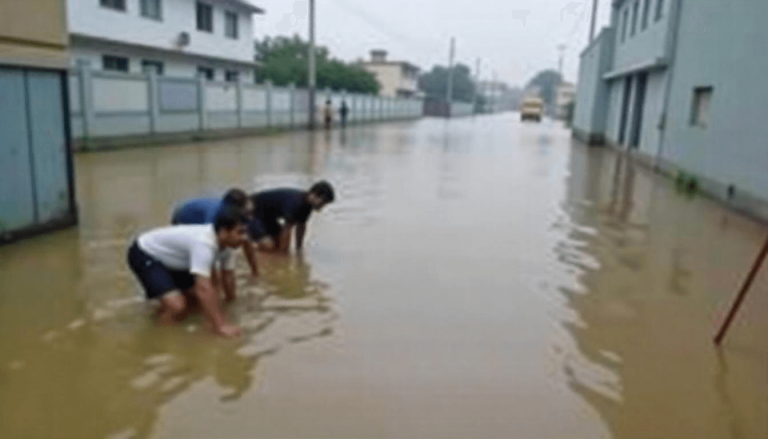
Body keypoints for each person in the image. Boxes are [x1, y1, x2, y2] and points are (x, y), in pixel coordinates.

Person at [127, 205, 248, 337]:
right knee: (176, 306)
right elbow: (203, 288)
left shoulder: (229, 247)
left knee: (195, 304)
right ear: (224, 232)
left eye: (246, 232)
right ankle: (158, 338)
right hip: (146, 252)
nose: (244, 238)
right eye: (240, 232)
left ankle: (159, 312)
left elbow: (228, 277)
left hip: (176, 259)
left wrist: (230, 305)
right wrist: (220, 326)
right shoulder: (204, 244)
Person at [171, 189, 260, 277]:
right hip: (182, 216)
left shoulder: (239, 213)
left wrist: (255, 271)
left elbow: (246, 239)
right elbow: (207, 244)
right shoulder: (213, 215)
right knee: (203, 253)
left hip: (198, 209)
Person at [248, 181, 335, 254]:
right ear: (315, 195)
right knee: (269, 246)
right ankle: (248, 248)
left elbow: (301, 227)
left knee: (277, 244)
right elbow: (287, 229)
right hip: (251, 212)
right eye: (323, 203)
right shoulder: (296, 203)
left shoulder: (308, 205)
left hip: (268, 216)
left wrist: (299, 250)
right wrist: (284, 257)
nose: (322, 207)